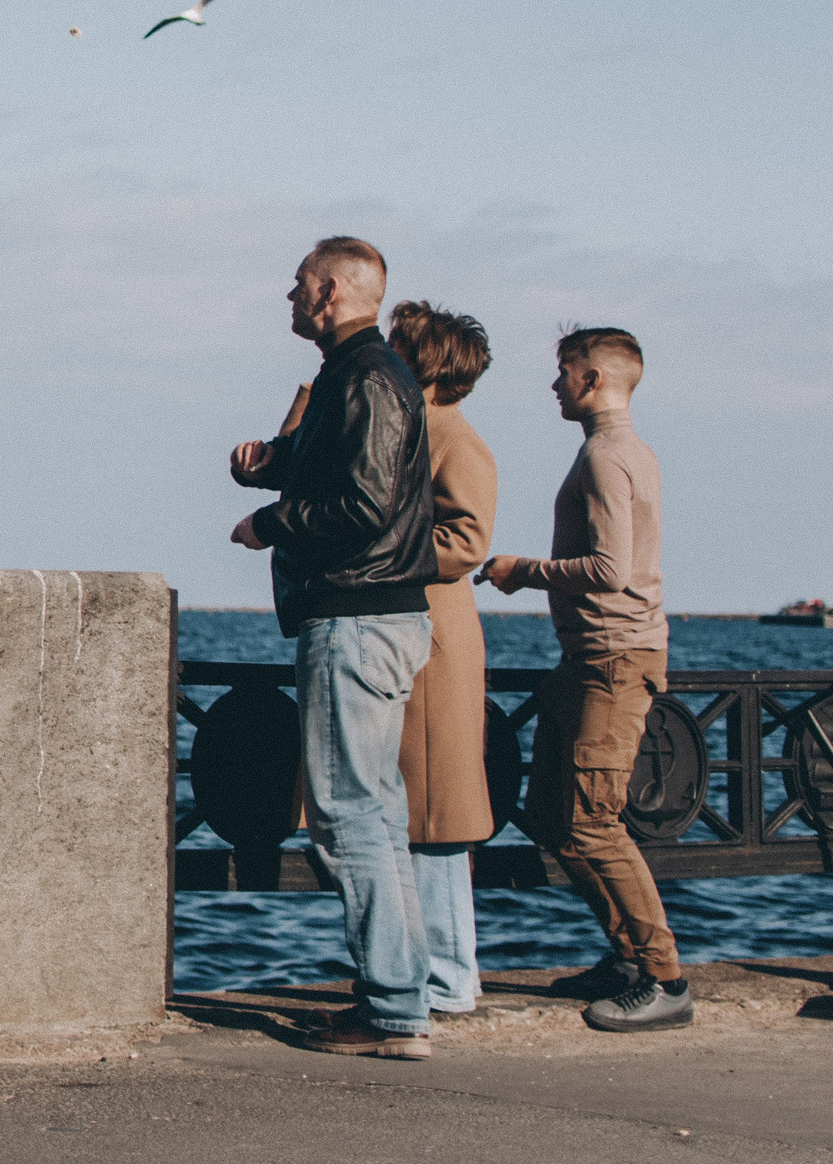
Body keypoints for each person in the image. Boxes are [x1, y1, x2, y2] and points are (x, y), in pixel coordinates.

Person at [229, 237, 439, 1058]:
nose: (288, 297)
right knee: (376, 813)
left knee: (350, 815)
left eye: (298, 285)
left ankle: (391, 1009)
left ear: (331, 291)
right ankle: (400, 999)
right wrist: (269, 466)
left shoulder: (367, 377)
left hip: (355, 616)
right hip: (375, 614)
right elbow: (346, 476)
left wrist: (268, 524)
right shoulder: (360, 379)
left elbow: (364, 504)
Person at [479, 327, 690, 1033]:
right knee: (552, 819)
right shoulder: (627, 452)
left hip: (613, 660)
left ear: (594, 377)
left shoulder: (605, 457)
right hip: (591, 661)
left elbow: (610, 571)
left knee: (593, 825)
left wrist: (521, 571)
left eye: (563, 371)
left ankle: (666, 980)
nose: (554, 385)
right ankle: (627, 958)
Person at [385, 301, 499, 1017]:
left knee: (434, 817)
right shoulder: (409, 430)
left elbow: (468, 540)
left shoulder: (454, 438)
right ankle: (426, 972)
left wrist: (380, 557)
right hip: (409, 631)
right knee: (408, 813)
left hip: (434, 639)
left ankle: (450, 977)